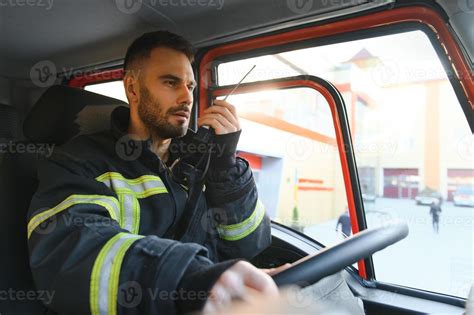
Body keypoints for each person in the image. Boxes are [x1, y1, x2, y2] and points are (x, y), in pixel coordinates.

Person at [26, 31, 277, 314]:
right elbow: (71, 255)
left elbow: (248, 245)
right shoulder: (80, 161)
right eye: (171, 82)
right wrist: (188, 281)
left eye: (191, 86)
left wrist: (225, 166)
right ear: (132, 88)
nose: (186, 97)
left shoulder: (198, 161)